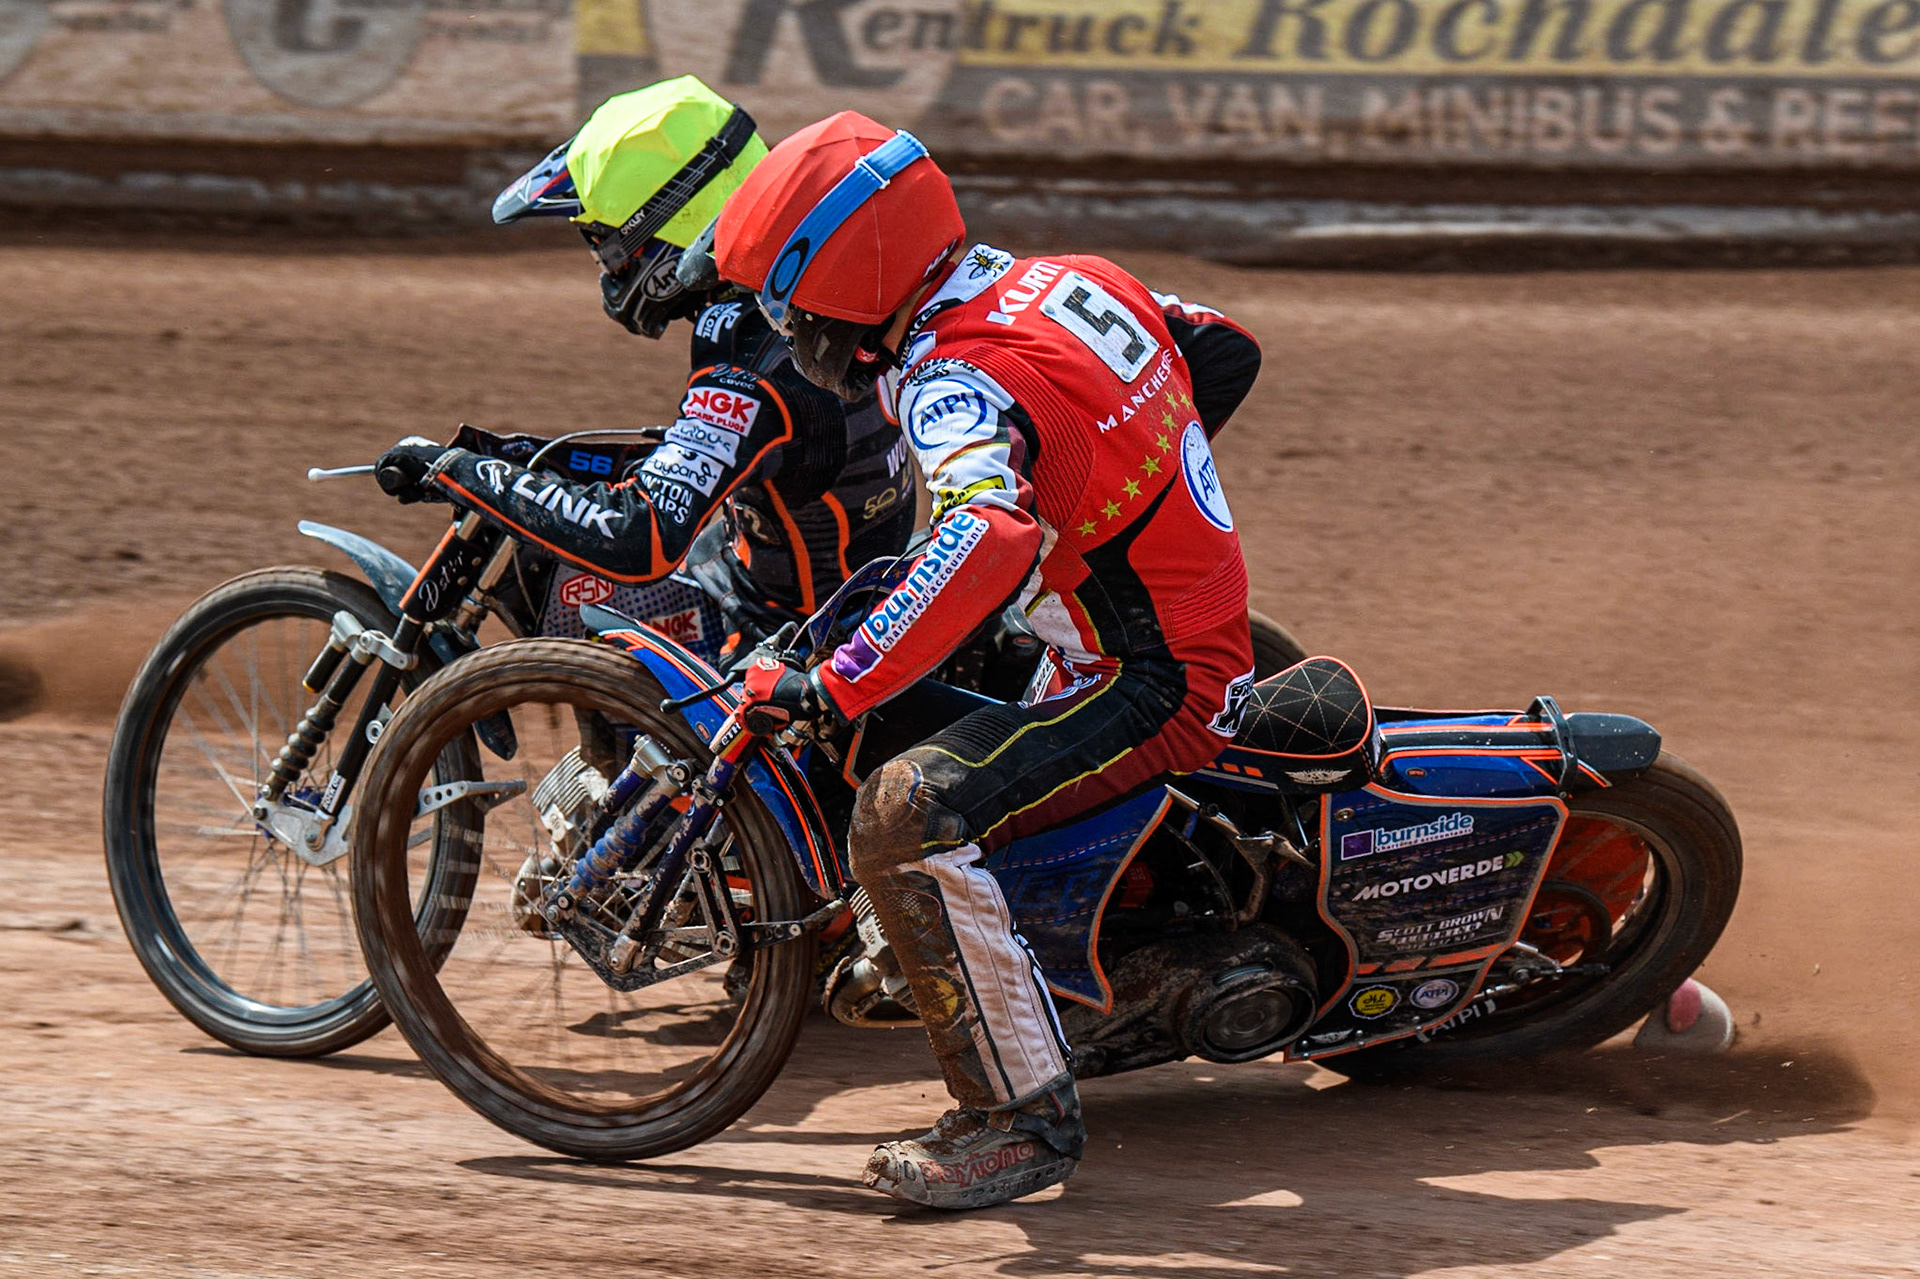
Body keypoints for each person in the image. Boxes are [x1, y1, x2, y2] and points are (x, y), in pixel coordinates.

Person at [713, 111, 1263, 1209]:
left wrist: (841, 676)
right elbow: (1219, 344)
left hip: (1144, 678)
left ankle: (1018, 1123)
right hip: (1180, 619)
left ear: (849, 272)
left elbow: (988, 534)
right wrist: (1110, 487)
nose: (785, 322)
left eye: (789, 295)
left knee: (901, 810)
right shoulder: (1064, 278)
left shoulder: (948, 378)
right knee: (955, 709)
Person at [374, 77, 915, 654]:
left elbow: (640, 536)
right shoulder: (803, 294)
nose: (608, 271)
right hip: (845, 591)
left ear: (672, 223)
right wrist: (524, 459)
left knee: (592, 600)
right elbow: (712, 460)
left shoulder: (745, 349)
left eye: (608, 247)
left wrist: (460, 472)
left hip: (789, 648)